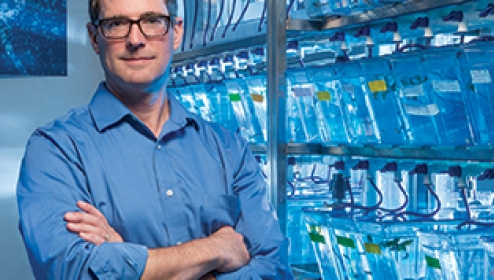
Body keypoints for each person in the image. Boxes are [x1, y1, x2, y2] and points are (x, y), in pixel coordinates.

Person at [16, 0, 293, 279]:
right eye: (117, 24)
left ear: (176, 32)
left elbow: (275, 269)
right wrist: (215, 249)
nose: (135, 39)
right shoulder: (56, 150)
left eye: (152, 21)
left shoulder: (228, 148)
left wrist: (127, 259)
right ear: (94, 38)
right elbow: (74, 271)